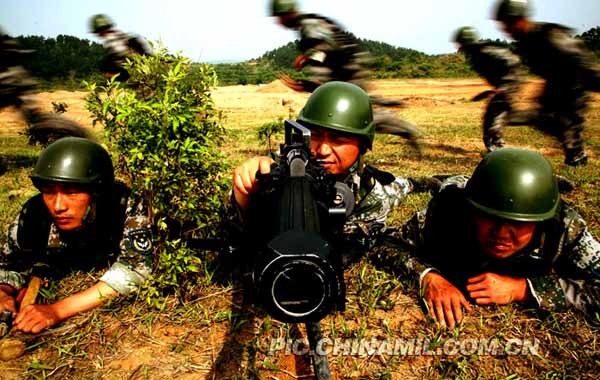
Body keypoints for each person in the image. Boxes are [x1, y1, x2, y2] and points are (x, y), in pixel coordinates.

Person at [384, 148, 600, 328]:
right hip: (461, 187)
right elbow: (388, 243)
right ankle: (437, 180)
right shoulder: (447, 210)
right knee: (450, 184)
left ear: (541, 221)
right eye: (490, 218)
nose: (502, 234)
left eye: (519, 223)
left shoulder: (564, 226)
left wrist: (524, 289)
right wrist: (428, 277)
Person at [229, 81, 438, 264]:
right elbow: (241, 231)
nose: (323, 150)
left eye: (339, 140)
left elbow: (346, 247)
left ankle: (425, 182)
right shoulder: (285, 164)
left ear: (362, 145)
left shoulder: (371, 194)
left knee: (401, 186)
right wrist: (244, 195)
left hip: (385, 187)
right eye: (316, 135)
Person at [0, 137, 153, 333]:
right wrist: (3, 294)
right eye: (48, 192)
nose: (58, 206)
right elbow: (7, 264)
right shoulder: (34, 216)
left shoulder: (124, 207)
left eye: (71, 193)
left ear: (97, 192)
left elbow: (134, 270)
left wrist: (57, 310)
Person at [268, 0, 422, 154]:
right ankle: (395, 118)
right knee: (354, 110)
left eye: (279, 17)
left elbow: (324, 49)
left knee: (355, 115)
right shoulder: (308, 24)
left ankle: (404, 128)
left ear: (287, 14)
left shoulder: (309, 25)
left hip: (347, 70)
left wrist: (310, 79)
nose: (278, 22)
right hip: (345, 69)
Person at [493, 0, 600, 166]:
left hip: (573, 85)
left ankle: (577, 156)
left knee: (563, 123)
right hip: (557, 85)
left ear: (519, 19)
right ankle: (576, 152)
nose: (505, 30)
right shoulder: (526, 41)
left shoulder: (548, 35)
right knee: (546, 121)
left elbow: (580, 61)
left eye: (507, 24)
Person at [453, 26, 523, 152]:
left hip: (508, 87)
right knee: (493, 118)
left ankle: (497, 151)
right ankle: (496, 149)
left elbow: (512, 61)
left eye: (460, 43)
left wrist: (505, 86)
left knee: (493, 119)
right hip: (504, 88)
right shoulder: (476, 54)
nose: (458, 46)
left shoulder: (485, 51)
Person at [89, 14, 151, 82]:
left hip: (140, 70)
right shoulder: (122, 37)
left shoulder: (113, 40)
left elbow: (122, 54)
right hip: (139, 71)